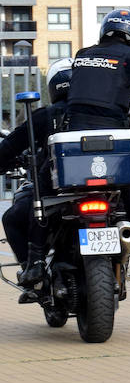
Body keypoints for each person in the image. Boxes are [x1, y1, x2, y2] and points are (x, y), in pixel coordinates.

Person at [65, 9, 130, 279]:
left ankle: (39, 257)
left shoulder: (82, 55)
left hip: (75, 137)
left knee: (63, 196)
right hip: (112, 138)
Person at [0, 59, 74, 301]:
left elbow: (9, 146)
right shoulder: (99, 112)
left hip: (52, 193)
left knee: (11, 218)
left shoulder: (45, 116)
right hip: (106, 191)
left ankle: (35, 277)